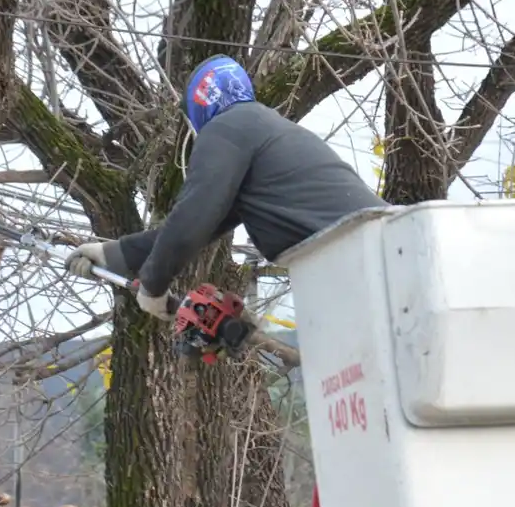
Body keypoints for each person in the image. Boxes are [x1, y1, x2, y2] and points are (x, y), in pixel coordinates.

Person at [66, 54, 387, 318]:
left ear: (199, 104)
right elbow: (195, 227)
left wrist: (152, 285)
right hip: (377, 249)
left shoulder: (225, 128)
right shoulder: (262, 130)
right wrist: (114, 253)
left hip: (357, 250)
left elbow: (193, 218)